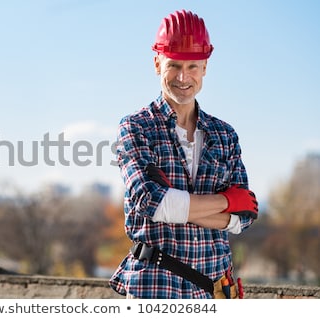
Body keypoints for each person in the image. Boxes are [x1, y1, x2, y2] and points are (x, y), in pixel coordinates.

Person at [109, 9, 258, 299]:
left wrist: (177, 206)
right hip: (155, 288)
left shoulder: (224, 135)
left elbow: (245, 217)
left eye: (192, 66)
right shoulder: (136, 128)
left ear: (205, 68)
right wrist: (226, 201)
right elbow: (152, 202)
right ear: (157, 64)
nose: (183, 77)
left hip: (213, 290)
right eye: (174, 65)